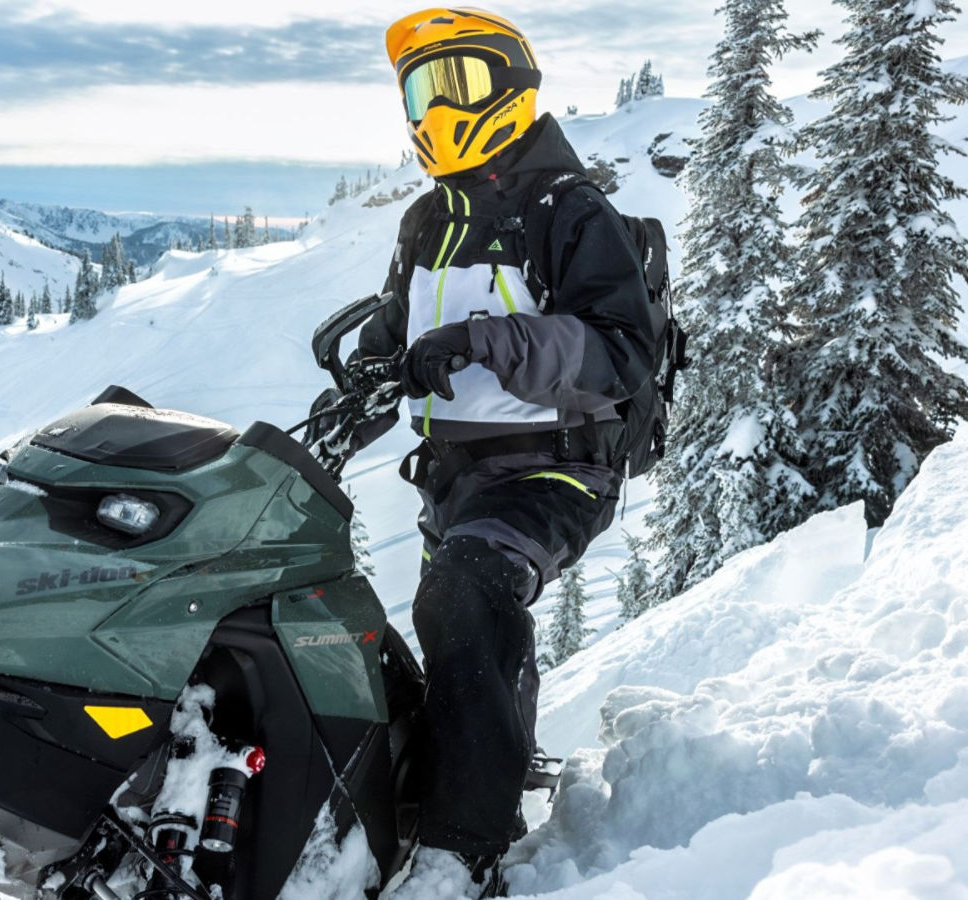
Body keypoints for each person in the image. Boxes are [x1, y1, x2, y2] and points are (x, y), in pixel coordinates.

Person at [341, 8, 657, 897]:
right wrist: (360, 382)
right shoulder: (424, 221)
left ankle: (460, 855)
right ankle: (434, 797)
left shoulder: (567, 208)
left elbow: (620, 352)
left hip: (556, 466)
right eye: (422, 85)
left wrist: (488, 341)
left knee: (468, 588)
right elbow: (396, 336)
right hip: (456, 480)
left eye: (462, 81)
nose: (439, 106)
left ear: (514, 87)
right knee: (427, 619)